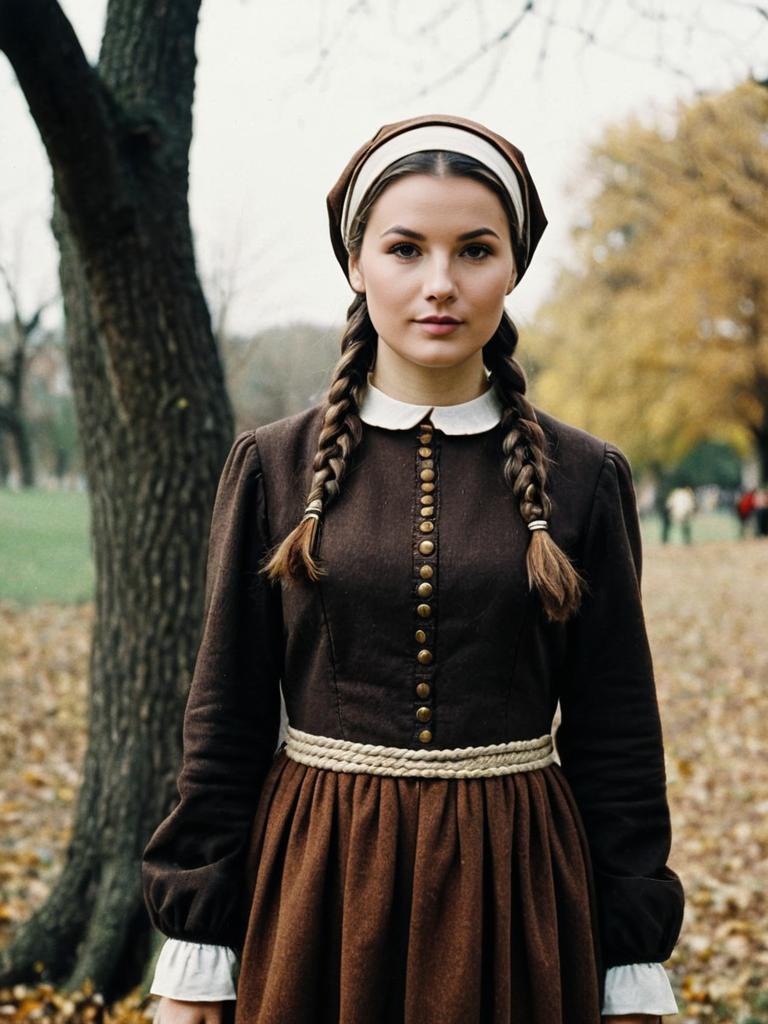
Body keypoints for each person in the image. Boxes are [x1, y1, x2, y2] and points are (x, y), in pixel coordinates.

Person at [141, 114, 685, 1024]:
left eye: (475, 250)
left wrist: (632, 960)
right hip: (319, 874)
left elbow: (619, 732)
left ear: (512, 268)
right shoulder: (273, 467)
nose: (441, 284)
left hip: (516, 879)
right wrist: (199, 949)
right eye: (405, 249)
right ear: (358, 264)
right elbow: (226, 714)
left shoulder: (585, 479)